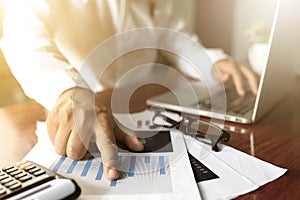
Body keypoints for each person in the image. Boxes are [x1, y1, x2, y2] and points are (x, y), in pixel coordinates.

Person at [1, 0, 259, 180]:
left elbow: (173, 37)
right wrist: (67, 91)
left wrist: (213, 61)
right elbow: (22, 40)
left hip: (148, 103)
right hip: (84, 110)